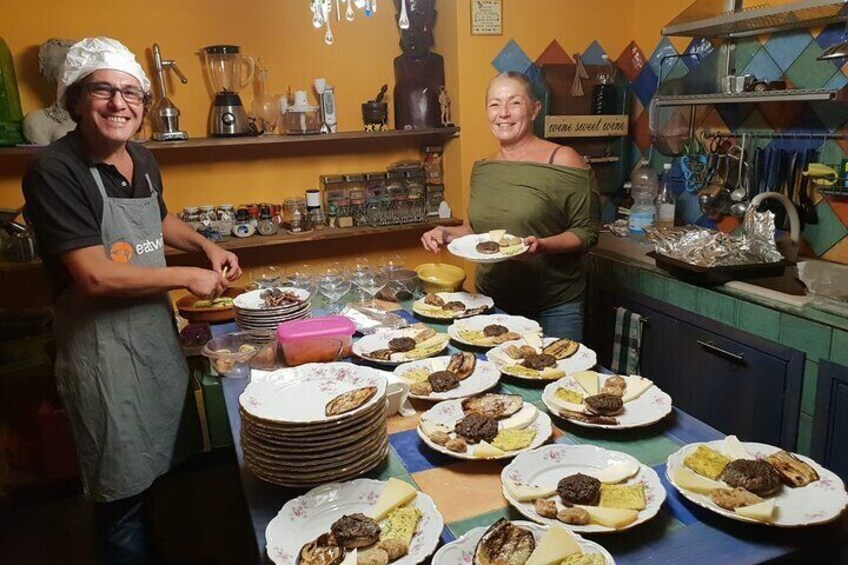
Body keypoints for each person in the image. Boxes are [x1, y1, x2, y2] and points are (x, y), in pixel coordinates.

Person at [22, 37, 241, 564]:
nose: (119, 104)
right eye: (103, 90)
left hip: (152, 342)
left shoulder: (140, 157)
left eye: (131, 94)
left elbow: (155, 219)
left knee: (164, 475)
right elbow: (93, 275)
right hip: (100, 354)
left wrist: (206, 244)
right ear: (76, 101)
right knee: (120, 495)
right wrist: (186, 275)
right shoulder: (55, 171)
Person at [421, 71, 599, 341]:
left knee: (558, 380)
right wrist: (445, 233)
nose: (503, 113)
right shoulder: (484, 168)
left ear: (534, 109)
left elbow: (587, 232)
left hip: (554, 306)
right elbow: (481, 232)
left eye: (514, 103)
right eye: (495, 104)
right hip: (493, 302)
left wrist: (542, 245)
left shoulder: (562, 159)